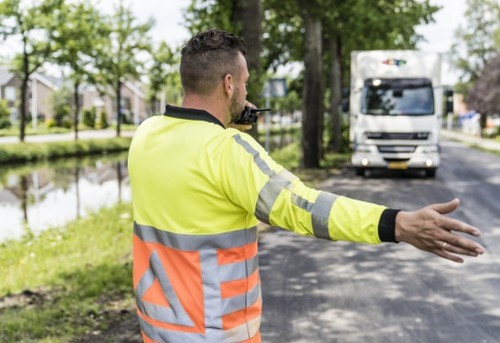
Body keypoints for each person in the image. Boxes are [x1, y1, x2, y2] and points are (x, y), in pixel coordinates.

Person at [127, 29, 485, 343]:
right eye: (245, 81)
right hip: (219, 334)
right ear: (229, 84)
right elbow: (305, 208)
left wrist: (228, 121)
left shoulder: (146, 134)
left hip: (158, 330)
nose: (247, 89)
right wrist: (397, 224)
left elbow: (194, 175)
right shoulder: (229, 152)